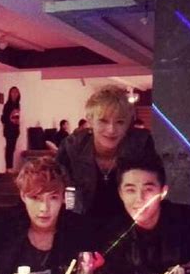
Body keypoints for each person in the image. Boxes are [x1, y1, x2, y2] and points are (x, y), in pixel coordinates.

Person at [97, 154, 190, 274]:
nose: (139, 199)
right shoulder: (113, 234)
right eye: (130, 190)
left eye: (148, 189)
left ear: (163, 192)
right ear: (120, 193)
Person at [57, 85, 156, 225]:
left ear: (128, 123)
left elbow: (155, 190)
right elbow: (64, 190)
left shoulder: (141, 145)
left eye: (120, 122)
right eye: (103, 121)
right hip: (81, 225)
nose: (111, 130)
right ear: (90, 120)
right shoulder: (72, 147)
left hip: (131, 227)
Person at [1, 86, 21, 173]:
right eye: (13, 92)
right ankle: (8, 167)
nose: (15, 94)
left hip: (15, 129)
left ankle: (10, 167)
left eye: (16, 92)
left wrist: (18, 127)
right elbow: (3, 119)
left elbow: (17, 118)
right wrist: (10, 120)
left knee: (12, 148)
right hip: (9, 129)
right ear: (10, 94)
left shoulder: (17, 105)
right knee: (9, 148)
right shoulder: (7, 105)